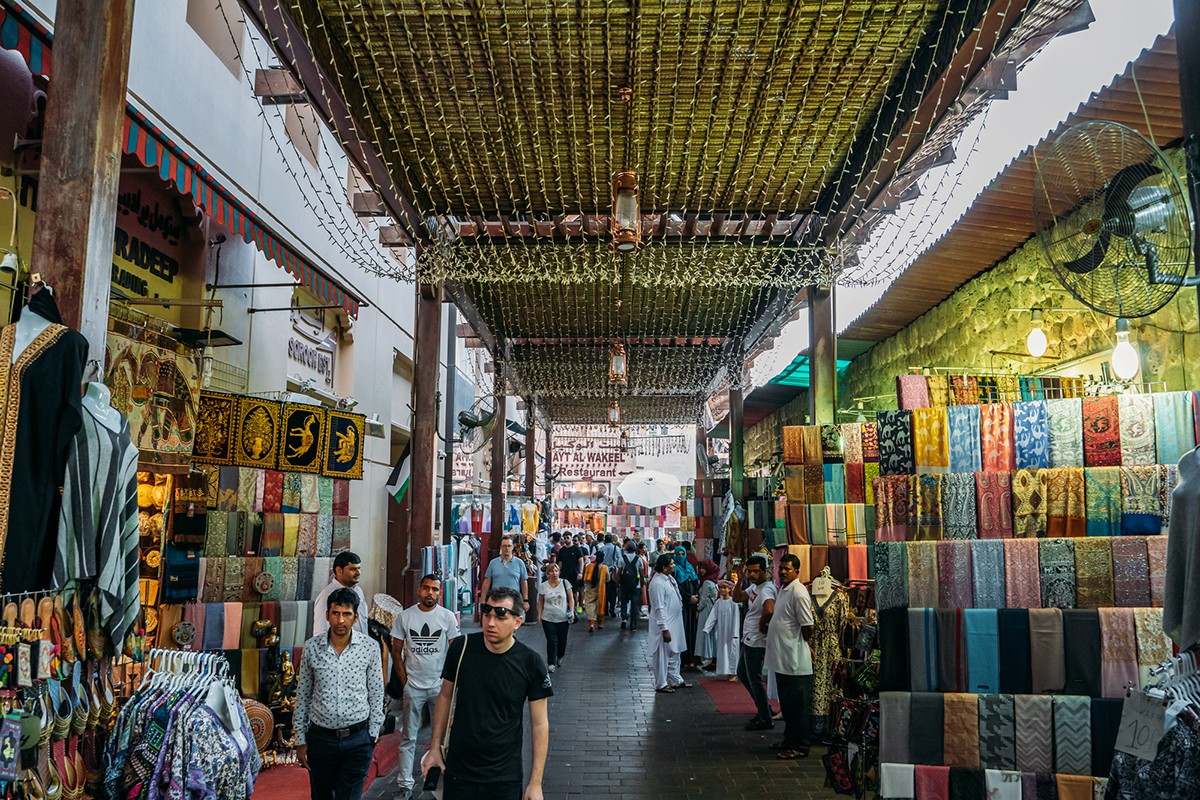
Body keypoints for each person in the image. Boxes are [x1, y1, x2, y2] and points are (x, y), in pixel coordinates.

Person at [422, 587, 552, 800]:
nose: (491, 623)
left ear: (517, 622)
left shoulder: (531, 662)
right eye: (487, 614)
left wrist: (536, 782)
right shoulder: (462, 648)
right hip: (459, 772)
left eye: (501, 616)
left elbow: (540, 724)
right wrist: (435, 747)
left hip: (504, 777)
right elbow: (445, 696)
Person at [294, 588, 385, 800]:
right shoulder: (312, 648)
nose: (340, 620)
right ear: (327, 615)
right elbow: (304, 695)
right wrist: (300, 738)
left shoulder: (369, 648)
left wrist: (372, 733)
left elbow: (376, 691)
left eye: (346, 614)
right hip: (321, 740)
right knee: (322, 795)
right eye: (336, 613)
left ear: (356, 617)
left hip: (358, 739)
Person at [391, 575, 461, 799]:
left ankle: (444, 781)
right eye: (426, 588)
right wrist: (406, 683)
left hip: (440, 687)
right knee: (408, 737)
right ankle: (405, 784)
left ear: (440, 593)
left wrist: (449, 682)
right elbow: (396, 651)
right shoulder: (405, 617)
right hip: (414, 686)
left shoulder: (447, 617)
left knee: (443, 737)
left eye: (434, 589)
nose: (430, 593)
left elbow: (455, 651)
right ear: (419, 590)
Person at [765, 554, 815, 759]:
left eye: (787, 568)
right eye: (781, 568)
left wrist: (803, 644)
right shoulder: (784, 590)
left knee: (798, 707)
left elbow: (807, 625)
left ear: (797, 570)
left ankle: (800, 746)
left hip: (795, 660)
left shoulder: (799, 592)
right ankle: (789, 739)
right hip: (782, 658)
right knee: (787, 705)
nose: (783, 572)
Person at [734, 554, 777, 731]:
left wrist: (762, 625)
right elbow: (737, 598)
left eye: (755, 572)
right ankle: (764, 708)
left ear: (765, 571)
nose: (752, 574)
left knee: (754, 678)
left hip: (757, 639)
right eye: (749, 571)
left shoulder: (767, 589)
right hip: (749, 638)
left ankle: (765, 717)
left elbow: (769, 609)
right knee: (743, 674)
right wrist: (739, 581)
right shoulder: (754, 587)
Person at [648, 554, 691, 693]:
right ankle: (661, 683)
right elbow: (659, 607)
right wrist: (664, 628)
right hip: (665, 623)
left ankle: (675, 678)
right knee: (662, 654)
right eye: (671, 564)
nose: (674, 565)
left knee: (675, 651)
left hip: (675, 621)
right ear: (664, 567)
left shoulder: (669, 578)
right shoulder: (657, 583)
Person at [312, 552, 369, 637]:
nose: (358, 573)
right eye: (353, 569)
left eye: (359, 568)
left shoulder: (358, 591)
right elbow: (320, 633)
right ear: (339, 570)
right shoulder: (327, 596)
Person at [538, 563, 574, 671]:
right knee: (551, 640)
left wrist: (571, 611)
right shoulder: (543, 585)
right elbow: (540, 601)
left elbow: (571, 598)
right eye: (552, 571)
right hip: (548, 618)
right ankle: (551, 663)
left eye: (556, 571)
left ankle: (560, 656)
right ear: (548, 573)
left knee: (562, 641)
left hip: (563, 618)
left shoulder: (565, 583)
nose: (554, 573)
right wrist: (539, 614)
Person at [481, 535, 530, 615]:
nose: (507, 548)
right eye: (504, 546)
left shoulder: (519, 563)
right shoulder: (493, 563)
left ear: (513, 547)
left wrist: (525, 600)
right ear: (501, 547)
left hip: (513, 600)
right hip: (496, 600)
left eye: (509, 546)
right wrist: (483, 600)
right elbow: (487, 582)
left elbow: (523, 582)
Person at [702, 580, 741, 680]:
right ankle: (727, 672)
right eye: (720, 588)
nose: (722, 590)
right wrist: (707, 628)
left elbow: (736, 618)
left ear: (730, 589)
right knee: (723, 650)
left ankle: (733, 673)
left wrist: (735, 633)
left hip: (732, 632)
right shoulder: (718, 602)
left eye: (725, 588)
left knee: (732, 651)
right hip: (722, 631)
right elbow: (713, 616)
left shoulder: (733, 603)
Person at [673, 546, 701, 669]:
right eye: (678, 554)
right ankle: (683, 658)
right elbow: (677, 587)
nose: (680, 556)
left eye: (682, 553)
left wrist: (695, 596)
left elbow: (695, 582)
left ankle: (691, 658)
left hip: (692, 605)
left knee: (692, 629)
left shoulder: (689, 567)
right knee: (683, 629)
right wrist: (688, 597)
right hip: (683, 604)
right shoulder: (674, 569)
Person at [694, 560, 720, 670]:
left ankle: (704, 656)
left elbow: (703, 600)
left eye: (703, 568)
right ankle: (711, 656)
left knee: (703, 632)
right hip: (712, 610)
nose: (701, 570)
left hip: (705, 610)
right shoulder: (714, 582)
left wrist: (698, 609)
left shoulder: (706, 583)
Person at [615, 540, 646, 631]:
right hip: (636, 585)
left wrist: (618, 584)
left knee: (624, 601)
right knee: (634, 604)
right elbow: (641, 574)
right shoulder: (639, 559)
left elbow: (619, 573)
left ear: (626, 548)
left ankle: (624, 618)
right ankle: (633, 625)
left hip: (624, 584)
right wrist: (642, 584)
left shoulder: (622, 559)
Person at [556, 533, 585, 613]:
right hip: (564, 574)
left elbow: (581, 561)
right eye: (564, 538)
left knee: (574, 592)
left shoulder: (576, 549)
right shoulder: (562, 550)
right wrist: (558, 572)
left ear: (571, 538)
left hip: (574, 574)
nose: (566, 539)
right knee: (564, 592)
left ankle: (575, 609)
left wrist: (580, 572)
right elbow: (560, 563)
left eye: (567, 537)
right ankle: (566, 608)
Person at [580, 551, 607, 632]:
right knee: (600, 606)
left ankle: (592, 623)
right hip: (601, 590)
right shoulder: (604, 568)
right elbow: (608, 579)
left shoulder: (588, 567)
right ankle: (600, 624)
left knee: (590, 606)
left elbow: (585, 579)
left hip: (590, 590)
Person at [597, 534, 622, 619]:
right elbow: (619, 560)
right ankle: (612, 608)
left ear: (605, 540)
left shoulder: (601, 549)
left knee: (605, 591)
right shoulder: (616, 549)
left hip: (603, 571)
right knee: (613, 592)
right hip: (613, 572)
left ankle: (605, 609)